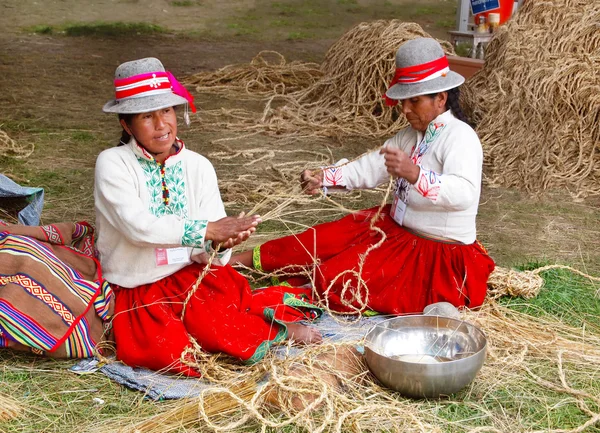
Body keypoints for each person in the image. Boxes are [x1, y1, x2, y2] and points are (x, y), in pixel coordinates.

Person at [233, 38, 496, 315]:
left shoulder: (460, 137)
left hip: (433, 256)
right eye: (404, 101)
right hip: (391, 229)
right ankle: (234, 261)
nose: (405, 110)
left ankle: (266, 301)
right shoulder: (411, 135)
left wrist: (415, 174)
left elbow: (464, 194)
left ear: (440, 98)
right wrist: (326, 178)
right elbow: (371, 166)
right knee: (320, 241)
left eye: (414, 101)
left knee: (340, 280)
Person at [95, 57, 321, 376]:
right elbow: (137, 227)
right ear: (126, 124)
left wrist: (222, 243)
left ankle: (274, 332)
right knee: (167, 351)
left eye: (167, 111)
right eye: (147, 116)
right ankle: (261, 330)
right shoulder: (113, 164)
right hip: (139, 285)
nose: (162, 125)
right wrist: (208, 229)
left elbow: (212, 258)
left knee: (216, 321)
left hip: (193, 276)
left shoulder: (198, 166)